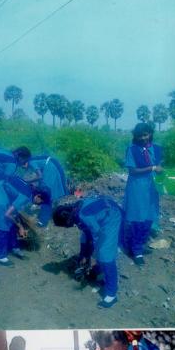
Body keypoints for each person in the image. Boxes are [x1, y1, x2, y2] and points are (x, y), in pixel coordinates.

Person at [53, 195, 122, 309]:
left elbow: (96, 235)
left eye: (66, 225)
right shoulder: (76, 210)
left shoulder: (83, 216)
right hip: (102, 217)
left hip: (111, 217)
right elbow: (86, 234)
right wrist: (83, 255)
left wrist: (92, 254)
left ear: (67, 220)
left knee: (105, 254)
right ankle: (101, 272)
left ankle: (112, 294)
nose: (68, 227)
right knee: (91, 245)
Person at [123, 122, 163, 264]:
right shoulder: (132, 149)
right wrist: (152, 168)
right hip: (137, 187)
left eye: (146, 134)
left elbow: (160, 166)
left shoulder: (157, 148)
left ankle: (140, 244)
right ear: (136, 136)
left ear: (150, 133)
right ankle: (136, 250)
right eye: (140, 136)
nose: (143, 138)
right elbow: (132, 171)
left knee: (149, 217)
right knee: (138, 218)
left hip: (152, 188)